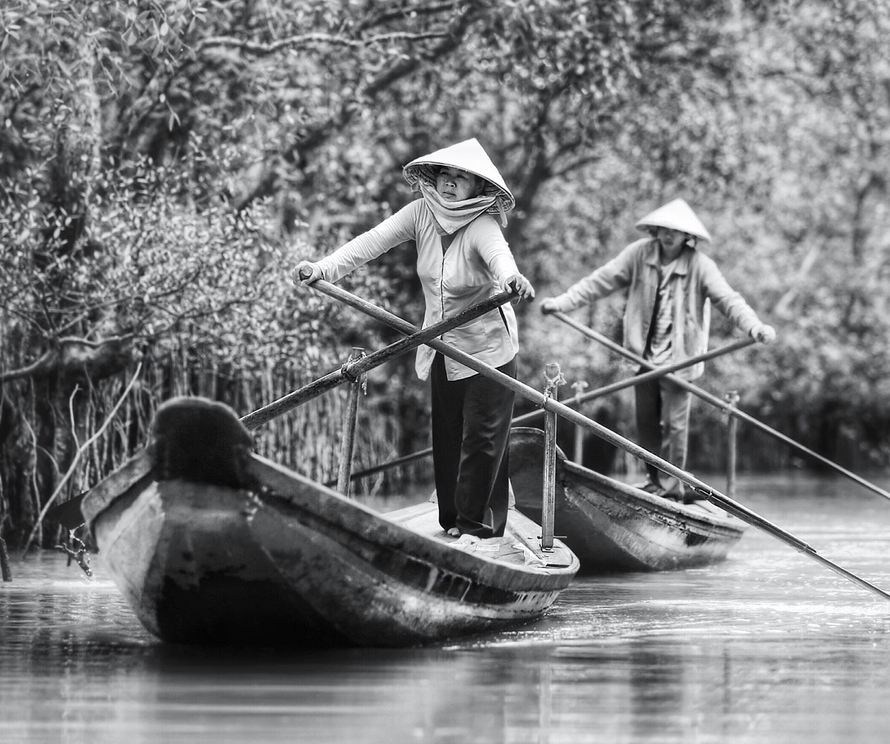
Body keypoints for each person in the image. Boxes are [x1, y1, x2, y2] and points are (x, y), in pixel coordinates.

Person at [294, 139, 535, 539]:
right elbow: (373, 240)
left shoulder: (483, 225)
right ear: (434, 178)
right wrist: (323, 268)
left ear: (478, 189)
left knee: (484, 436)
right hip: (441, 344)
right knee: (447, 436)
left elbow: (501, 260)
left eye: (462, 178)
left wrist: (512, 280)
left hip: (489, 348)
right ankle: (453, 521)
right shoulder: (421, 212)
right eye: (446, 175)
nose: (451, 183)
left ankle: (476, 527)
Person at [539, 199, 775, 500]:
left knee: (675, 427)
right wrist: (562, 302)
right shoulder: (639, 254)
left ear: (687, 236)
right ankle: (655, 479)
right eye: (664, 229)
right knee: (647, 423)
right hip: (642, 358)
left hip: (681, 360)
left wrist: (755, 327)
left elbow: (729, 300)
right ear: (656, 229)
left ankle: (673, 486)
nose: (668, 235)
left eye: (675, 231)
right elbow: (600, 281)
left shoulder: (700, 265)